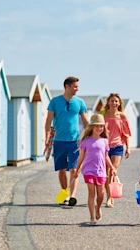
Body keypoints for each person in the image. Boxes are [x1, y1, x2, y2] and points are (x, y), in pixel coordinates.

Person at [45, 76, 89, 207]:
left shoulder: (80, 102)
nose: (77, 89)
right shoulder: (54, 101)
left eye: (78, 87)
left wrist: (92, 135)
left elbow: (86, 121)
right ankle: (64, 194)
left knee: (74, 169)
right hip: (58, 141)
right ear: (67, 86)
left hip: (75, 142)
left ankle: (72, 196)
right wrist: (47, 138)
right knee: (62, 169)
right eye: (75, 87)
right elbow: (48, 121)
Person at [74, 114, 117, 225]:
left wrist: (112, 168)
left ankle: (98, 208)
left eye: (101, 126)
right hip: (88, 170)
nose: (99, 128)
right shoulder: (86, 141)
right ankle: (92, 217)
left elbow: (106, 156)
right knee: (91, 193)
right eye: (97, 126)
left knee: (101, 195)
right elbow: (81, 156)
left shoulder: (104, 141)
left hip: (101, 171)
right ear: (92, 127)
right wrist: (76, 169)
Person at [102, 93, 132, 208]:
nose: (114, 103)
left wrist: (128, 148)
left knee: (112, 171)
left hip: (118, 146)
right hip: (104, 146)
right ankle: (108, 195)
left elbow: (126, 134)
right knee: (105, 173)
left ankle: (109, 198)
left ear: (119, 103)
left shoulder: (122, 116)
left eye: (116, 101)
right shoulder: (103, 114)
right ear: (108, 102)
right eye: (112, 101)